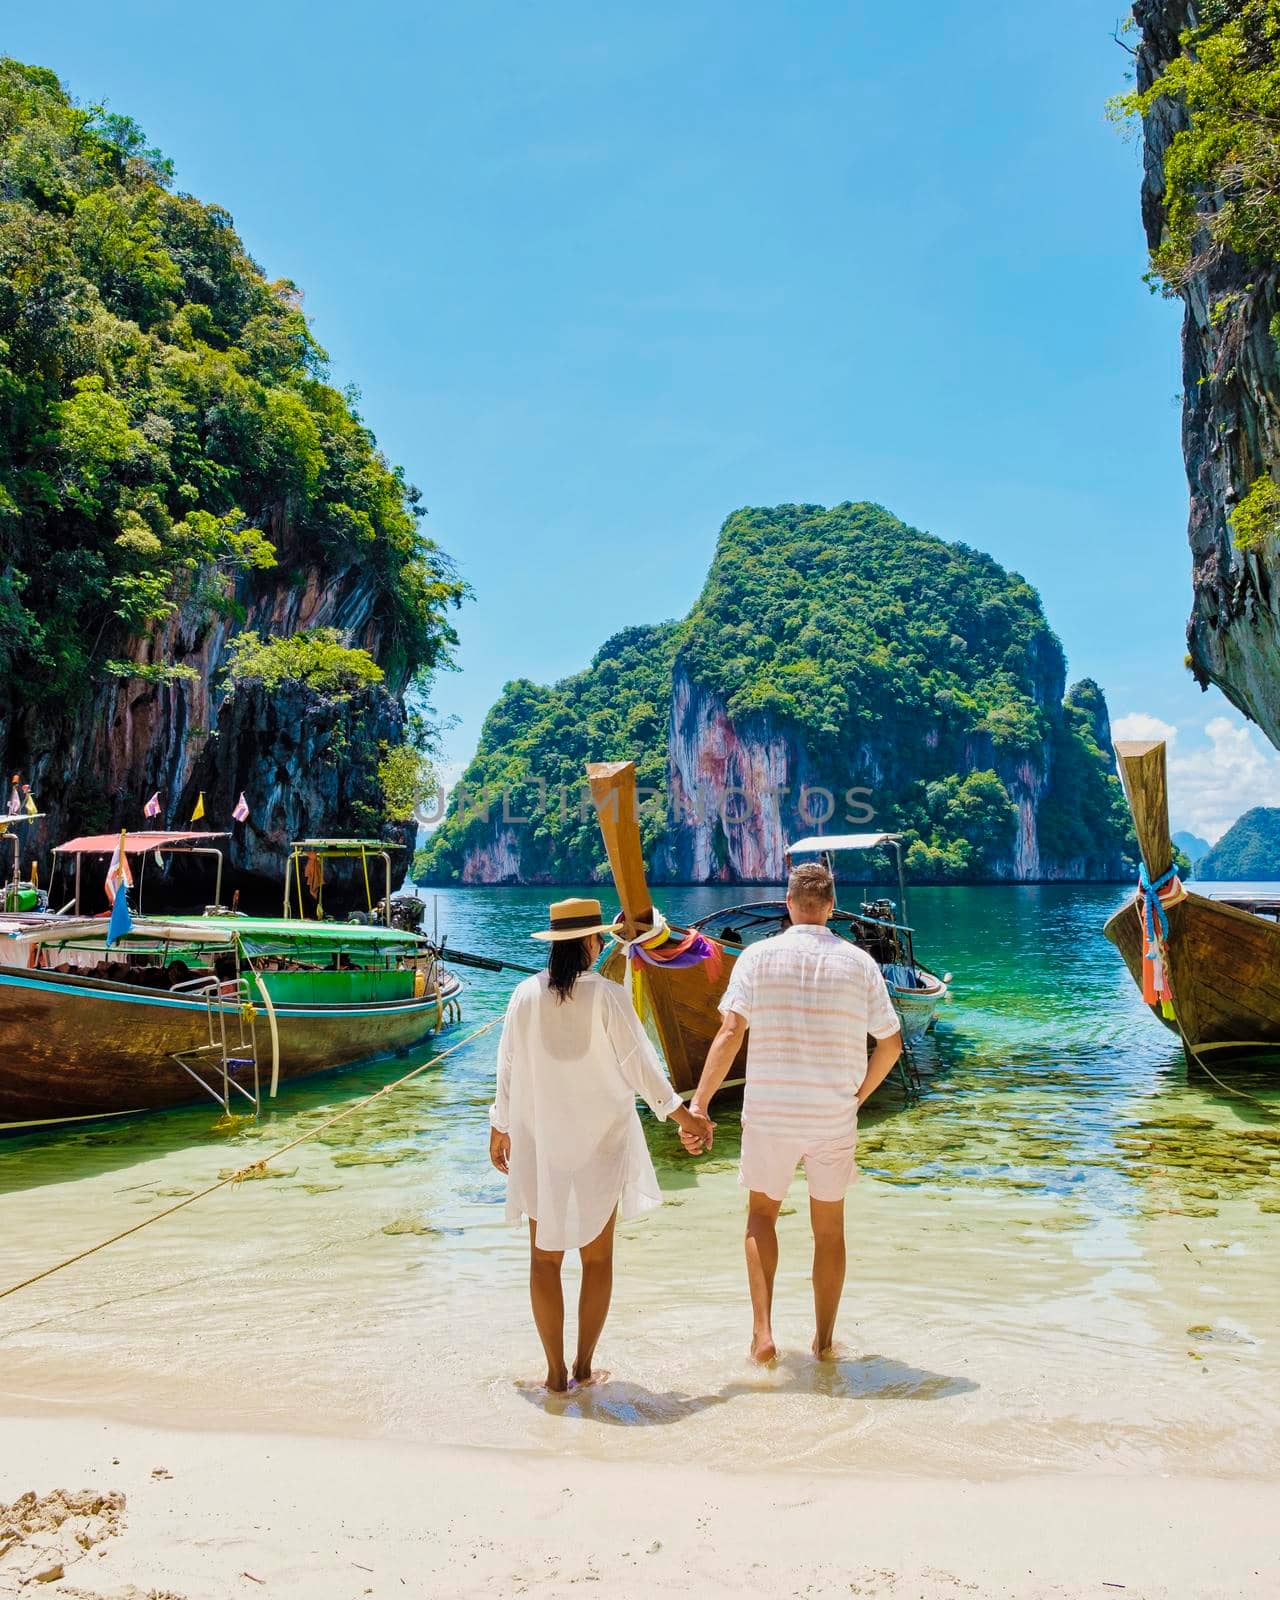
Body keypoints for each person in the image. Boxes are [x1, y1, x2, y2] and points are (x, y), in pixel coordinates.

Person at [489, 897, 712, 1393]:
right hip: (599, 1143)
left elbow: (506, 1068)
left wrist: (499, 1126)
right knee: (597, 1260)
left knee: (544, 1259)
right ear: (592, 942)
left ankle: (553, 1374)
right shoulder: (608, 995)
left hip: (541, 1142)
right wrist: (685, 1115)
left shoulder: (524, 995)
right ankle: (584, 1368)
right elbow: (642, 1067)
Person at [686, 862, 903, 1363]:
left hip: (770, 1114)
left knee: (761, 1217)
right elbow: (890, 1044)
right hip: (832, 1116)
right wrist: (859, 1095)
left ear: (788, 904)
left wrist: (698, 1105)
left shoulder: (757, 958)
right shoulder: (859, 963)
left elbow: (729, 1033)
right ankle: (824, 1343)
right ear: (830, 907)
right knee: (828, 1230)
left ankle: (763, 1335)